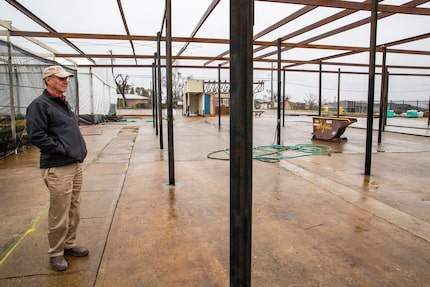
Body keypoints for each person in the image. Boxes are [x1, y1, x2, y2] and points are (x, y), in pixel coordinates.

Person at [26, 65, 89, 271]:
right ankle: (56, 252)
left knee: (74, 208)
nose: (65, 81)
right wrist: (62, 149)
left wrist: (79, 149)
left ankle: (69, 244)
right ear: (48, 80)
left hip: (74, 163)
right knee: (59, 210)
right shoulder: (40, 105)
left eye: (66, 78)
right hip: (58, 165)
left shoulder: (62, 103)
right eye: (61, 78)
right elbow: (37, 135)